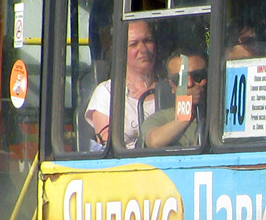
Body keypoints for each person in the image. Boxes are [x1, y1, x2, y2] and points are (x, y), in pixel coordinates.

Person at [85, 19, 158, 149]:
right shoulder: (107, 92)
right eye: (134, 44)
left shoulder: (171, 88)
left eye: (147, 40)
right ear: (120, 51)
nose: (143, 49)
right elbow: (108, 146)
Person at [141, 49, 208, 149]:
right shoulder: (159, 119)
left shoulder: (225, 116)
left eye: (197, 76)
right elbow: (154, 141)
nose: (189, 84)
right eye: (180, 79)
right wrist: (184, 117)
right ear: (172, 86)